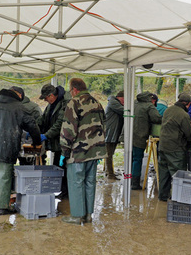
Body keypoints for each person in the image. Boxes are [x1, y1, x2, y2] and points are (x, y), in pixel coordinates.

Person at [0, 86, 42, 215]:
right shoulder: (19, 108)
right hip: (6, 146)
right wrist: (37, 142)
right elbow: (32, 125)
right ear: (18, 96)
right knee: (4, 176)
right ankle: (2, 207)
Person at [59, 78, 106, 224]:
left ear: (74, 89)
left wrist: (64, 150)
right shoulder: (97, 103)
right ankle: (88, 215)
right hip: (95, 152)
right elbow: (103, 125)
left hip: (78, 152)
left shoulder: (74, 103)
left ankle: (77, 216)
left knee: (76, 182)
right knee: (90, 182)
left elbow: (68, 129)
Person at [157, 93, 191, 201]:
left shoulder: (168, 110)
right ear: (188, 104)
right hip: (175, 148)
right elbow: (188, 133)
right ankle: (178, 198)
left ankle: (163, 196)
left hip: (163, 146)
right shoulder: (183, 115)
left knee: (164, 173)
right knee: (179, 175)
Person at [37, 83, 70, 195]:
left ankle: (65, 192)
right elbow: (43, 118)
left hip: (64, 141)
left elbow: (60, 124)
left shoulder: (65, 103)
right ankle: (60, 189)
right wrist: (34, 129)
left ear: (51, 95)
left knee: (63, 167)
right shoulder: (51, 105)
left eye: (46, 98)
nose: (45, 100)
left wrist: (46, 135)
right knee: (57, 166)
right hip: (56, 143)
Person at [131, 91, 162, 190]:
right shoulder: (149, 106)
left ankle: (128, 180)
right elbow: (157, 118)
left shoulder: (134, 103)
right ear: (152, 99)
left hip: (129, 135)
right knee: (137, 159)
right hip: (140, 135)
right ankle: (135, 184)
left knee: (130, 159)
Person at [104, 90, 125, 179]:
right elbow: (125, 111)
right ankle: (110, 174)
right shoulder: (114, 103)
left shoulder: (115, 102)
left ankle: (107, 171)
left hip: (112, 133)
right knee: (109, 154)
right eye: (124, 99)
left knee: (110, 154)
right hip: (109, 133)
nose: (125, 101)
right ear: (119, 97)